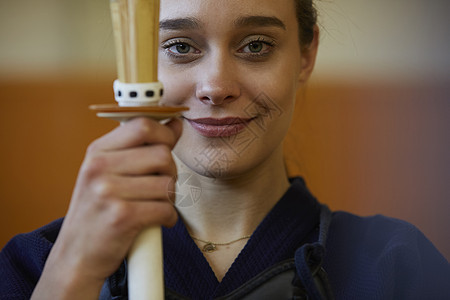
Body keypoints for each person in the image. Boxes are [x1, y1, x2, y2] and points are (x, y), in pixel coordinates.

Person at [1, 0, 449, 299]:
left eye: (256, 46)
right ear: (134, 64)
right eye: (180, 46)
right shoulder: (35, 266)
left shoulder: (394, 266)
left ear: (306, 55)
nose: (216, 86)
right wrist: (72, 275)